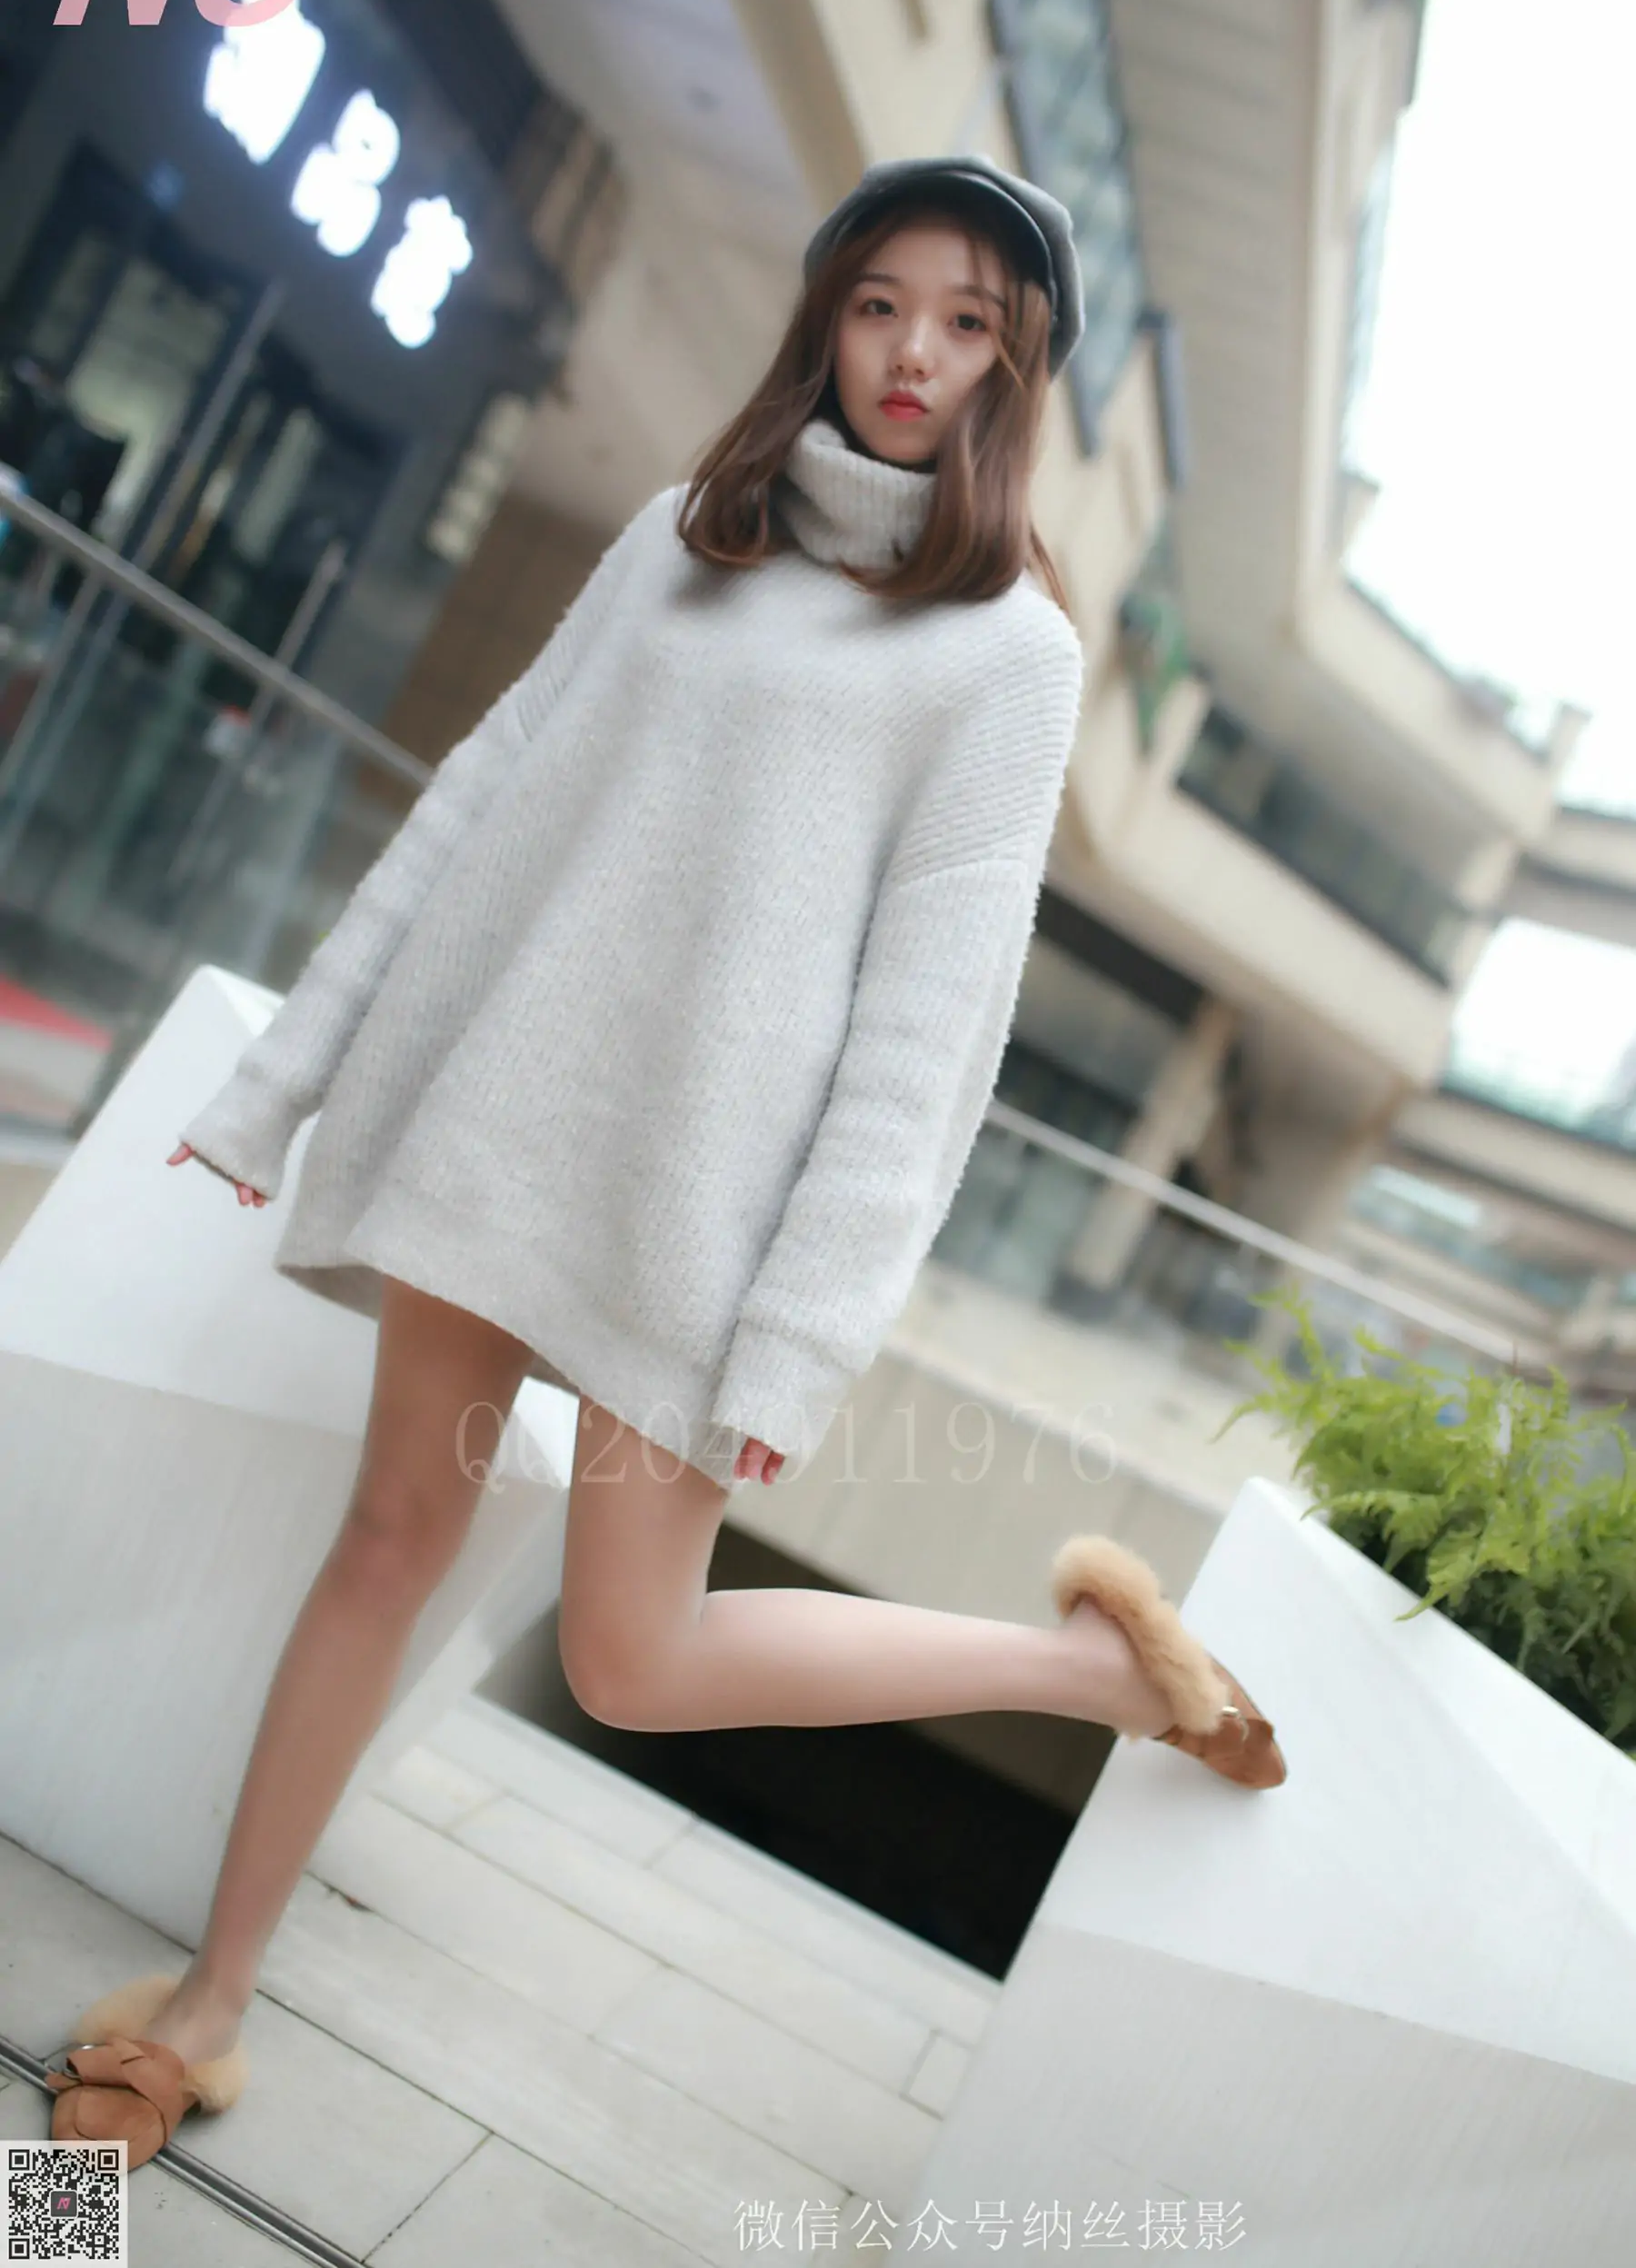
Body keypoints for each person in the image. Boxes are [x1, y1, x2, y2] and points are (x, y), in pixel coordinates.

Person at [46, 155, 1285, 2173]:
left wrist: (805, 1332)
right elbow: (483, 793)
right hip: (496, 1116)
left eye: (968, 323)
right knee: (387, 1538)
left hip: (699, 1215)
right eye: (881, 304)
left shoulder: (1009, 658)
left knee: (630, 1659)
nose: (914, 353)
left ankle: (1091, 1673)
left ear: (1018, 368)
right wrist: (289, 1081)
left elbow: (929, 1037)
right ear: (828, 314)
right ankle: (205, 2009)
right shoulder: (682, 535)